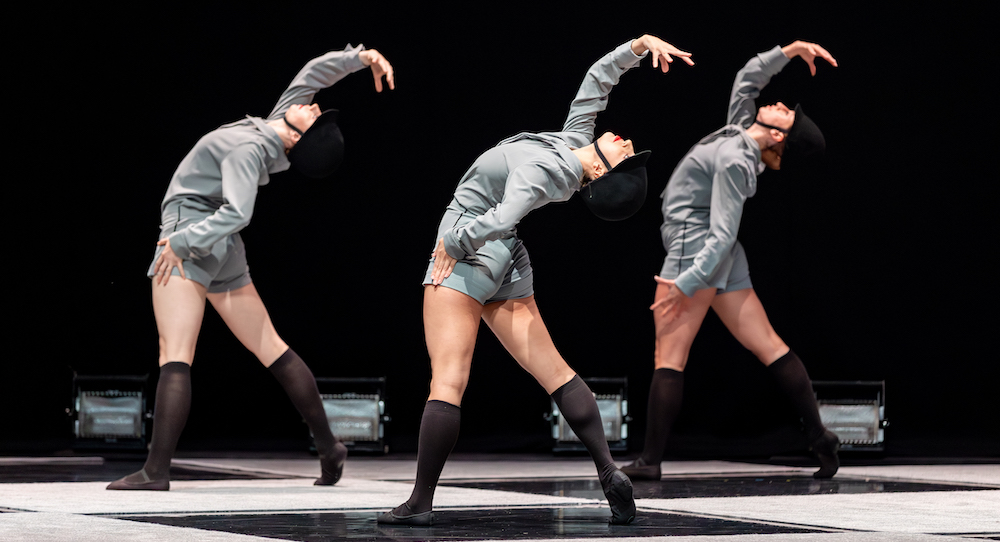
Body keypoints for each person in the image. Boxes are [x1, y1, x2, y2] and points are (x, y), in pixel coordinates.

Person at [376, 35, 694, 526]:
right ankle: (609, 473)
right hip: (508, 259)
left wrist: (456, 242)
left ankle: (419, 503)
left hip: (473, 245)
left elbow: (504, 214)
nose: (625, 141)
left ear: (603, 172)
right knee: (555, 371)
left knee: (448, 378)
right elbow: (594, 84)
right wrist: (637, 47)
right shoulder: (572, 144)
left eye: (626, 154)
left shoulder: (551, 168)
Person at [106, 44, 395, 491]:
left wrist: (181, 242)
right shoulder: (280, 120)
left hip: (193, 232)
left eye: (314, 116)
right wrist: (363, 59)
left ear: (300, 137)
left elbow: (238, 213)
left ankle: (156, 471)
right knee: (272, 348)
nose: (313, 105)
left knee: (175, 353)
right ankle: (329, 447)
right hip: (222, 248)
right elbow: (312, 73)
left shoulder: (252, 146)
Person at [620, 41, 840, 482]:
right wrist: (790, 50)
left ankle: (649, 462)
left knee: (669, 355)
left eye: (786, 114)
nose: (778, 105)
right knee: (769, 345)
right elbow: (747, 80)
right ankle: (820, 438)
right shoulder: (740, 131)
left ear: (780, 135)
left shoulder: (738, 161)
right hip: (718, 259)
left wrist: (684, 284)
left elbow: (721, 236)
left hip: (695, 252)